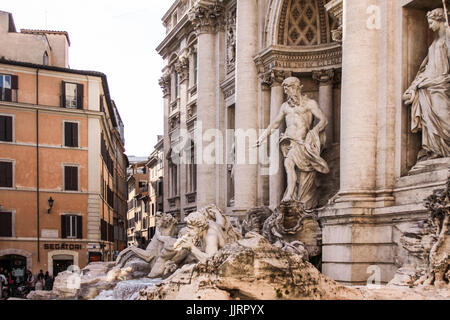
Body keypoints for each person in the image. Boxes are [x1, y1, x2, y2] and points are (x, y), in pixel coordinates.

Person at [255, 77, 329, 209]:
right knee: (288, 164)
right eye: (284, 88)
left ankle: (293, 196)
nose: (286, 90)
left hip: (302, 143)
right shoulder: (285, 106)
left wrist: (313, 133)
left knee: (296, 170)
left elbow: (323, 120)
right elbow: (276, 123)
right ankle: (289, 194)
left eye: (288, 87)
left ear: (297, 87)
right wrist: (262, 136)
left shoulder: (309, 103)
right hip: (289, 142)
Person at [403, 8, 450, 161]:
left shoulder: (448, 37)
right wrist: (414, 86)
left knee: (443, 115)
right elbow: (425, 67)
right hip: (429, 84)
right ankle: (435, 148)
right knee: (430, 118)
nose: (429, 26)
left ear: (440, 20)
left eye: (431, 22)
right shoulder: (434, 42)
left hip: (441, 83)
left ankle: (446, 147)